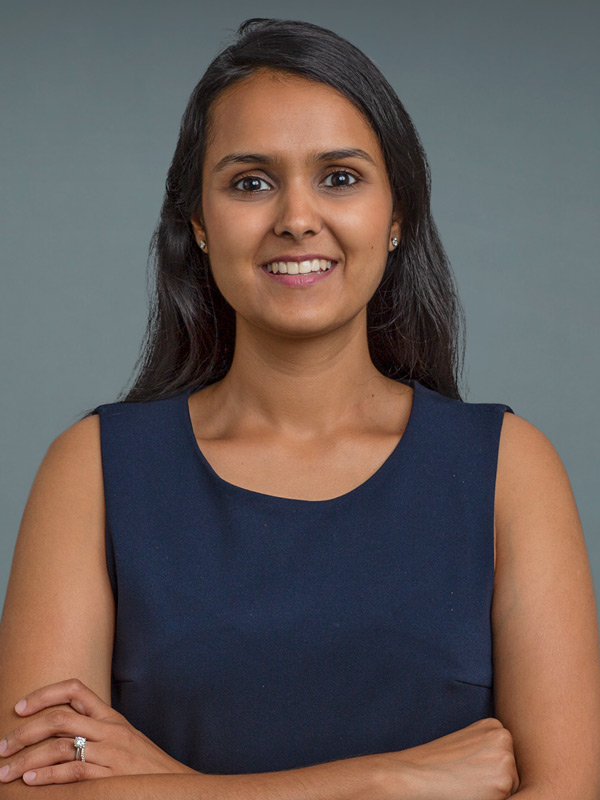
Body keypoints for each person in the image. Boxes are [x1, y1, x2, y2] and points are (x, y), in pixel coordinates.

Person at [0, 17, 598, 800]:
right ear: (199, 225)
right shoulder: (95, 470)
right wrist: (386, 781)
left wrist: (165, 786)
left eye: (340, 178)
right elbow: (32, 790)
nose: (296, 217)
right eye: (251, 182)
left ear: (397, 217)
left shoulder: (509, 469)